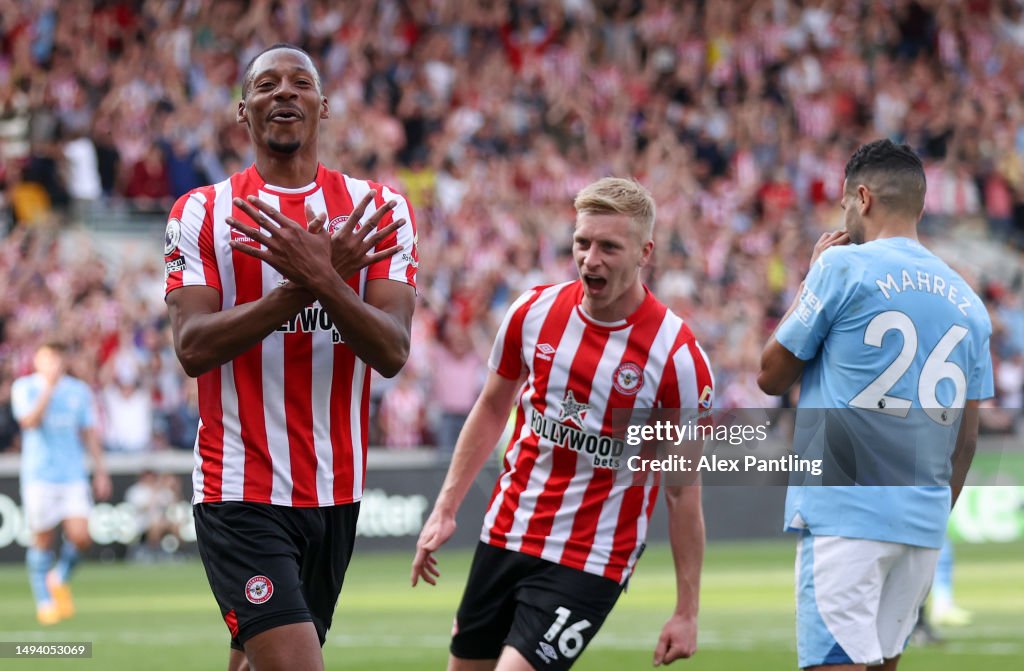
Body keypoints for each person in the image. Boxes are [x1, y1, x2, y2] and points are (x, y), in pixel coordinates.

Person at [164, 44, 417, 671]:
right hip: (238, 486)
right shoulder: (202, 212)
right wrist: (307, 285)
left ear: (322, 105)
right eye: (266, 84)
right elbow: (193, 348)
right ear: (241, 110)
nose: (284, 92)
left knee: (255, 661)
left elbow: (391, 350)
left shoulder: (377, 210)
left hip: (335, 490)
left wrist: (324, 282)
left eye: (300, 82)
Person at [412, 177, 713, 670]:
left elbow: (682, 490)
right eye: (582, 242)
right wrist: (445, 509)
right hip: (506, 532)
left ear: (645, 252)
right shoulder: (532, 312)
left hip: (591, 557)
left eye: (609, 247)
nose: (591, 259)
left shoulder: (677, 356)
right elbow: (491, 408)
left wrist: (687, 610)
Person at [757, 140, 994, 671]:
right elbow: (968, 439)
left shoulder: (842, 268)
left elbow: (771, 376)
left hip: (846, 516)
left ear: (861, 198)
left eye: (844, 204)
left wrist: (808, 281)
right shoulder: (969, 302)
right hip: (921, 527)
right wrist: (928, 515)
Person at [11, 341, 111, 625]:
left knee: (81, 536)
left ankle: (59, 578)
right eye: (46, 359)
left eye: (56, 359)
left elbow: (88, 432)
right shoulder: (25, 388)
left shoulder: (78, 391)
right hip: (39, 476)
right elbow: (29, 422)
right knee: (42, 540)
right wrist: (48, 389)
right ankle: (44, 601)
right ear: (37, 362)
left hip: (73, 476)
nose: (52, 364)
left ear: (63, 361)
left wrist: (100, 470)